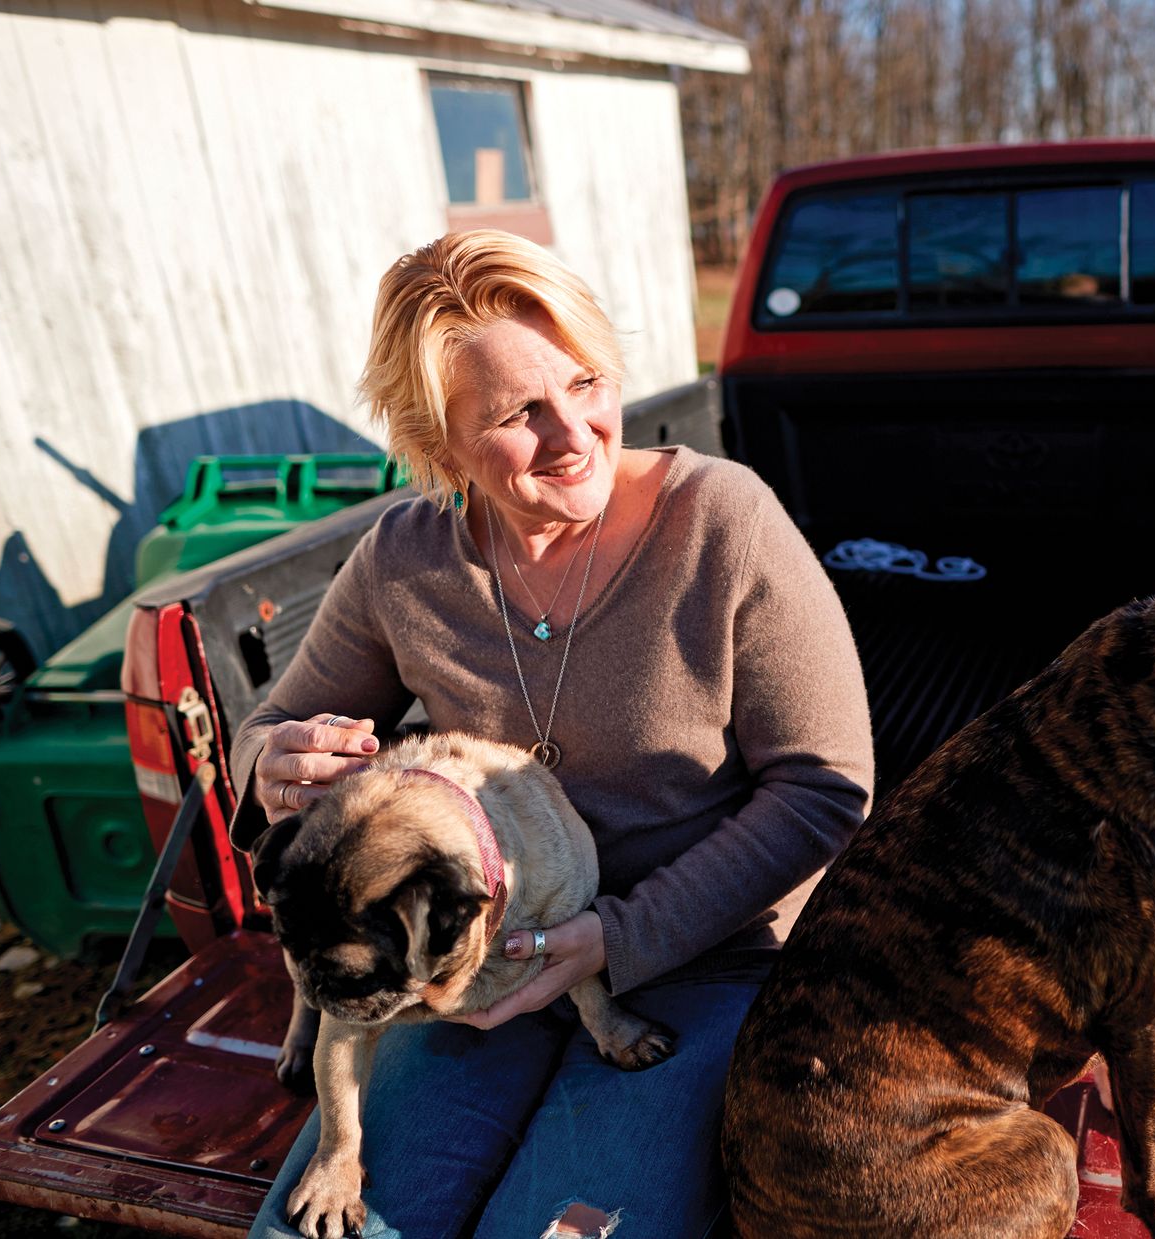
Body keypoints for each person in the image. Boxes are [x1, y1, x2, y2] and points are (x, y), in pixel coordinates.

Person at [232, 229, 873, 1237]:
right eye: (520, 413)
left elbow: (823, 787)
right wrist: (271, 759)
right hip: (469, 968)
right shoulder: (403, 560)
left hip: (699, 963)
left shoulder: (722, 521)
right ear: (439, 446)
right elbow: (266, 727)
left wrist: (617, 938)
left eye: (585, 381)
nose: (575, 434)